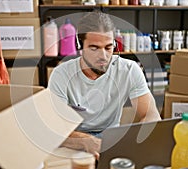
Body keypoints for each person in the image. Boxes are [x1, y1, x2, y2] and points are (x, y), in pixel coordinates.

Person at [47, 11, 161, 159]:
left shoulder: (129, 69)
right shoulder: (61, 74)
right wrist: (86, 141)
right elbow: (54, 128)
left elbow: (151, 114)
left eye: (108, 47)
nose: (103, 56)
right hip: (73, 140)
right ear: (80, 45)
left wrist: (135, 137)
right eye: (94, 48)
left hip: (110, 139)